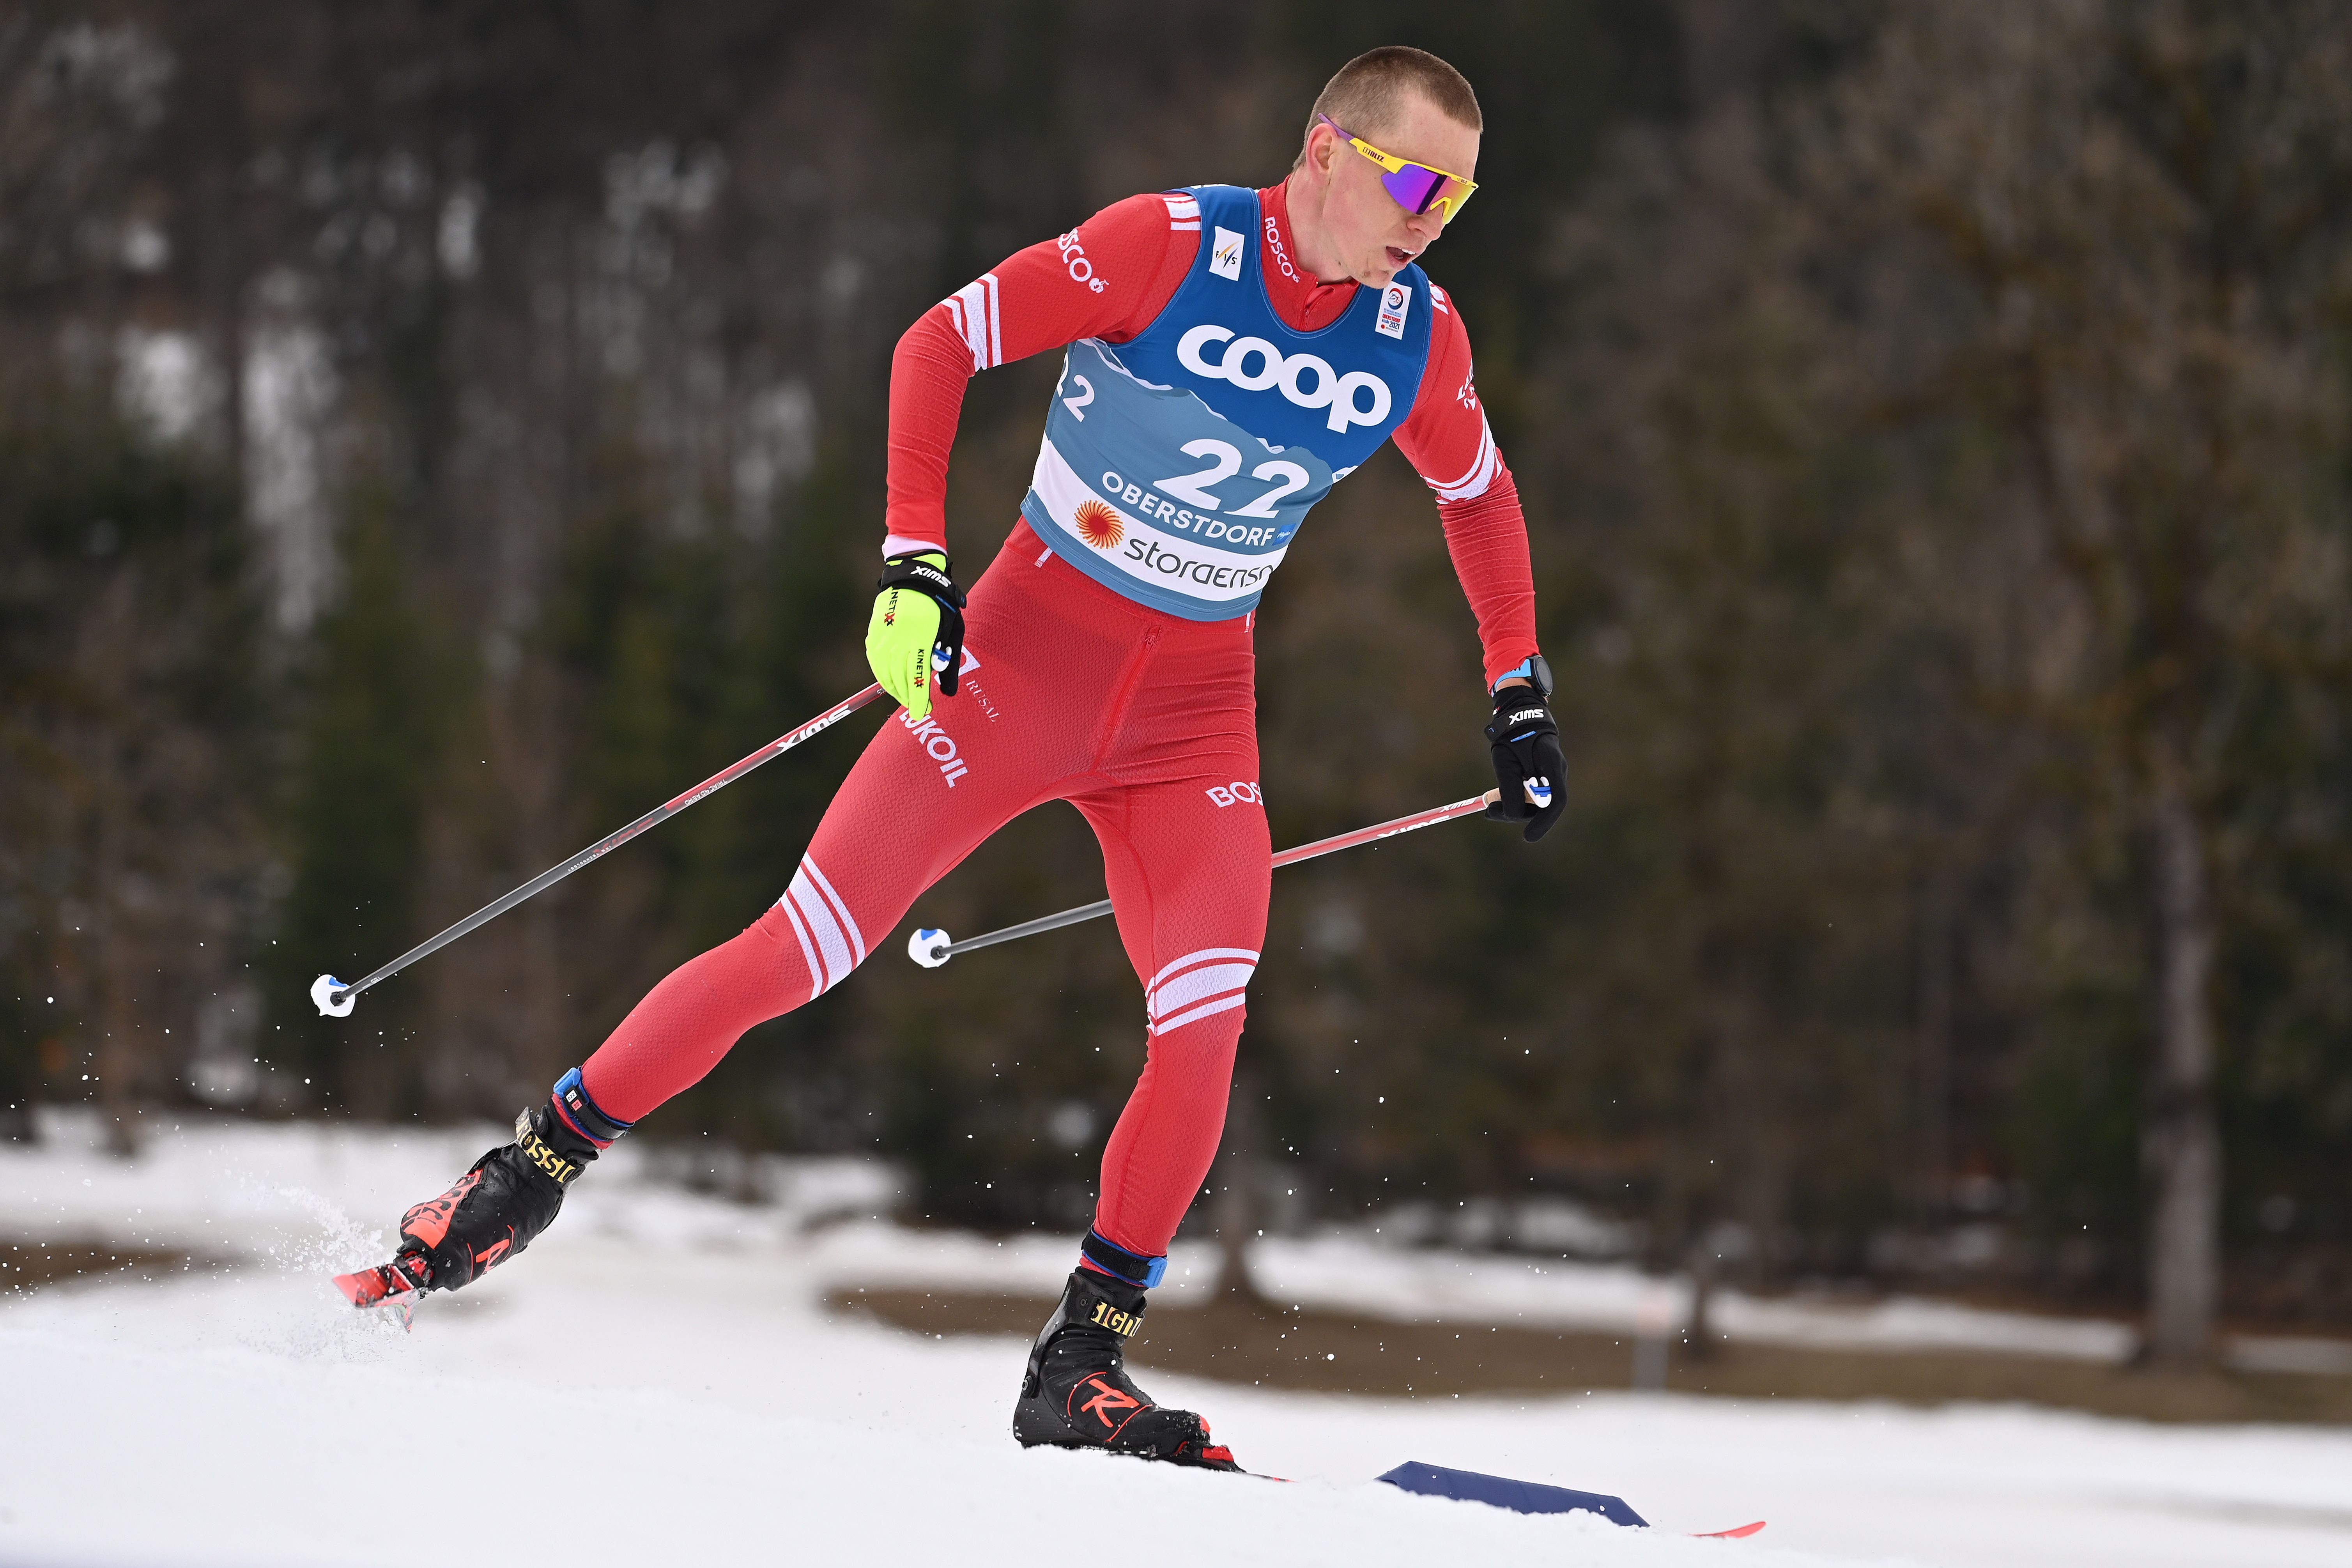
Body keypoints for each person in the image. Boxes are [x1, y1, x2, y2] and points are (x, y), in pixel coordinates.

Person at [368, 45, 1562, 1472]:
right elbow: (938, 342)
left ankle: (1082, 1362)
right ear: (1325, 152)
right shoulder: (1165, 246)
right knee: (799, 950)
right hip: (1015, 666)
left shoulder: (1418, 341)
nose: (1431, 219)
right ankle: (528, 1169)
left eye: (1460, 197)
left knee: (1206, 1023)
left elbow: (1481, 504)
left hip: (1193, 723)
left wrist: (1518, 692)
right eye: (1414, 181)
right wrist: (914, 568)